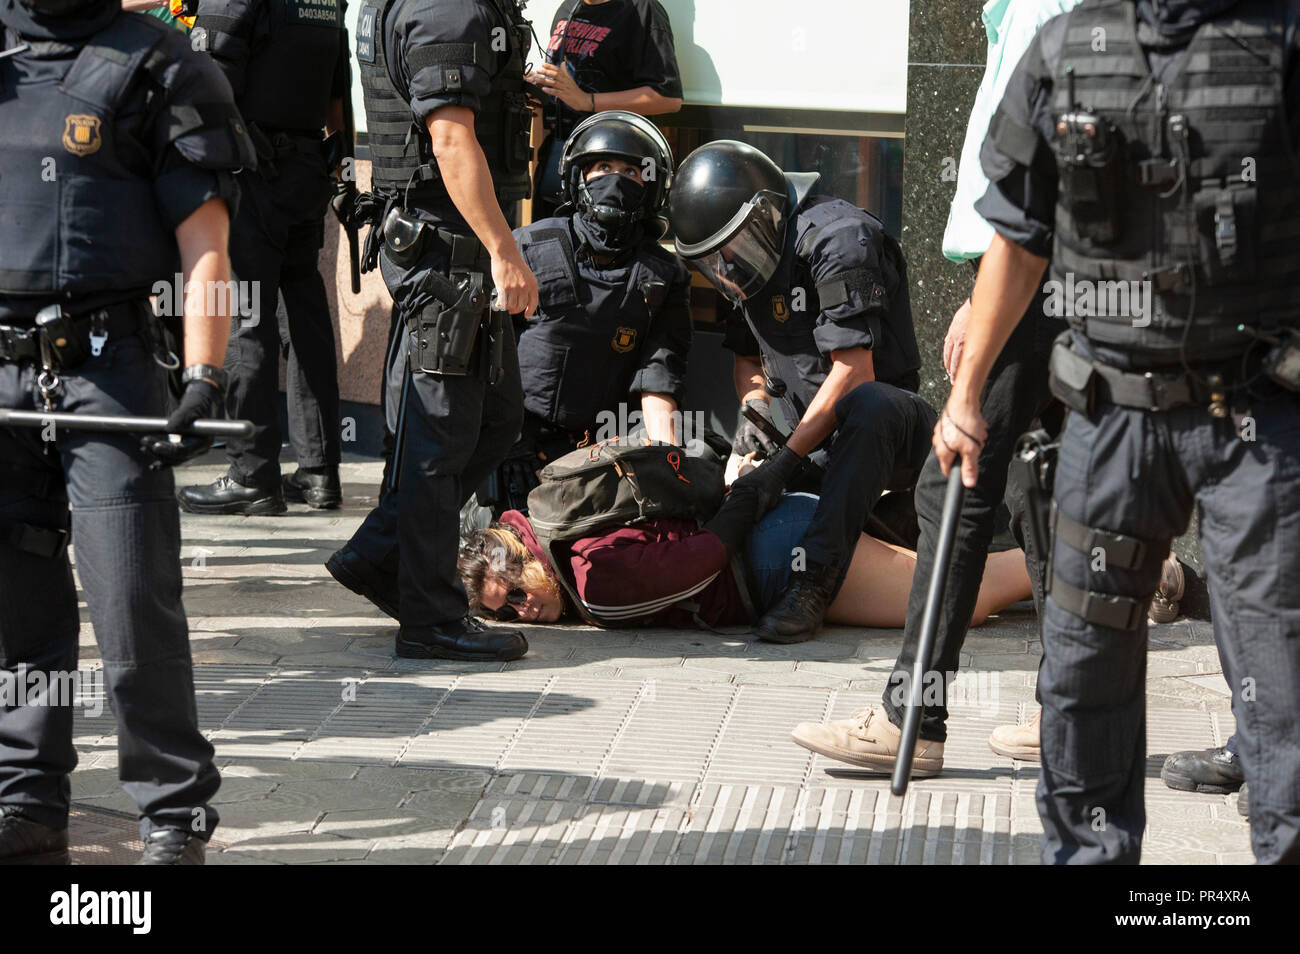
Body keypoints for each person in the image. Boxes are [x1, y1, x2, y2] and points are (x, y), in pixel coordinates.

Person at [932, 0, 1300, 864]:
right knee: (1084, 672)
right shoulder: (1065, 50)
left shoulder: (1283, 38)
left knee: (1279, 674)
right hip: (1111, 419)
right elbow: (1015, 242)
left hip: (1257, 416)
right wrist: (968, 393)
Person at [790, 0, 1086, 778]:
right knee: (1035, 485)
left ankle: (911, 721)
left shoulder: (1042, 10)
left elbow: (1031, 186)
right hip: (1026, 275)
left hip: (1030, 276)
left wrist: (993, 297)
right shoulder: (1023, 11)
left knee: (952, 484)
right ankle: (1073, 712)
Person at [0, 0, 254, 863]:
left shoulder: (164, 64)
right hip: (2, 380)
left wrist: (207, 372)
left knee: (131, 598)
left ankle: (173, 813)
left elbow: (207, 242)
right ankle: (28, 800)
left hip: (106, 370)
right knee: (16, 609)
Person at [324, 0, 538, 663]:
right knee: (439, 442)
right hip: (449, 253)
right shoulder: (445, 7)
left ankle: (381, 557)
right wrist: (505, 252)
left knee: (494, 421)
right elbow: (450, 138)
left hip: (455, 248)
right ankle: (430, 619)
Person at [668, 140, 937, 645]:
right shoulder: (743, 266)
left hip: (896, 441)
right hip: (807, 445)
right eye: (713, 263)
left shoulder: (839, 240)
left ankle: (814, 582)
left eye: (730, 252)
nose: (726, 269)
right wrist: (754, 410)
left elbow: (854, 372)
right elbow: (747, 357)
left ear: (767, 215)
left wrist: (784, 463)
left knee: (870, 405)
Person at [176, 0, 349, 514]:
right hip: (306, 167)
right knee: (305, 319)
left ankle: (251, 474)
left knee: (247, 318)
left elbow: (206, 85)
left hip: (251, 171)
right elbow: (338, 90)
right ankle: (319, 473)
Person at [459, 478, 1033, 633]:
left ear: (523, 555)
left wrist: (755, 494)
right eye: (507, 612)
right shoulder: (564, 522)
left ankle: (1082, 568)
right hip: (783, 530)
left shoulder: (592, 579)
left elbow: (705, 557)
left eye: (514, 593)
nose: (522, 610)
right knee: (955, 578)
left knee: (959, 600)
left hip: (779, 557)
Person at [488, 110, 691, 515]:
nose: (615, 180)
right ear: (577, 179)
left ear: (651, 189)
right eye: (601, 167)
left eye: (632, 172)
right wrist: (507, 445)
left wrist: (667, 466)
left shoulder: (663, 275)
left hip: (601, 448)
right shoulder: (524, 248)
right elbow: (487, 360)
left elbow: (658, 381)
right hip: (515, 440)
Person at [528, 0, 682, 218]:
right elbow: (568, 84)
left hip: (612, 168)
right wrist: (540, 87)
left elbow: (667, 98)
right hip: (560, 156)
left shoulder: (642, 10)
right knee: (553, 245)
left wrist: (587, 101)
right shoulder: (569, 7)